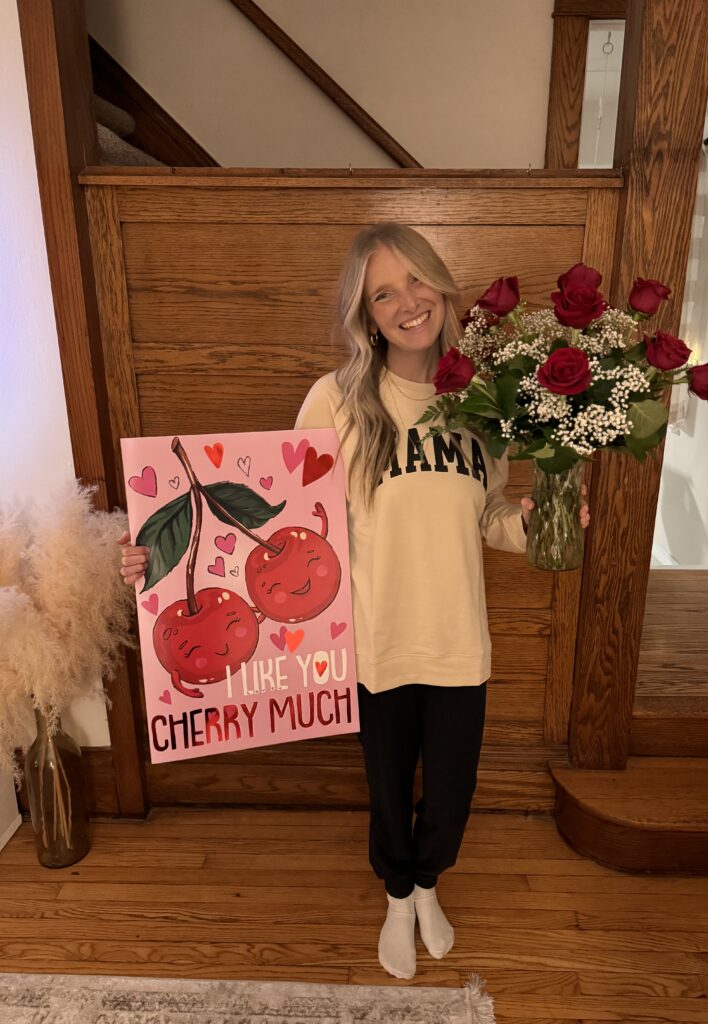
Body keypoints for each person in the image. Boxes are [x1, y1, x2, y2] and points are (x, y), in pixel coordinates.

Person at [118, 222, 590, 979]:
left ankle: (430, 884)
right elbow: (277, 524)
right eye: (383, 292)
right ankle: (397, 895)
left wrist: (533, 524)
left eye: (416, 281)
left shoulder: (486, 401)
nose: (407, 302)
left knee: (452, 791)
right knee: (385, 785)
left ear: (440, 285)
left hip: (458, 640)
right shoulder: (334, 401)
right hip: (373, 645)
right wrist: (159, 563)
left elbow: (488, 515)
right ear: (366, 315)